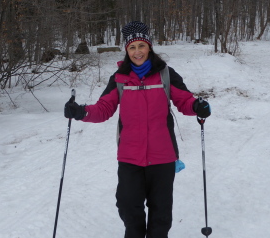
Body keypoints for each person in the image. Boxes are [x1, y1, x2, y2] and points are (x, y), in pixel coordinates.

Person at [64, 21, 211, 238]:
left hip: (162, 157)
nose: (137, 52)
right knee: (127, 206)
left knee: (161, 213)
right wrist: (80, 112)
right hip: (130, 157)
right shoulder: (119, 79)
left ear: (149, 47)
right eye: (132, 47)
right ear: (126, 51)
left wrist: (198, 106)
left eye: (141, 46)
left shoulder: (165, 75)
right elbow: (104, 109)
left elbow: (185, 101)